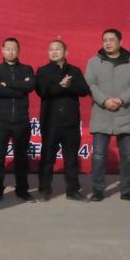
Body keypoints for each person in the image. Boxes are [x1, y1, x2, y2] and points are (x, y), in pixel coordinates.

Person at [85, 28, 130, 203]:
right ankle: (98, 190)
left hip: (124, 113)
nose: (108, 43)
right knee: (98, 156)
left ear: (120, 42)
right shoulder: (94, 62)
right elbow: (90, 84)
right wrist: (104, 101)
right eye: (105, 40)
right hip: (102, 113)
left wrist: (121, 99)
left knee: (128, 156)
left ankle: (127, 191)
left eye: (111, 39)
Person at [35, 39, 90, 201]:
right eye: (51, 49)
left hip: (70, 122)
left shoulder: (74, 70)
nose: (54, 52)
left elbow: (84, 90)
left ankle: (72, 190)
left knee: (71, 158)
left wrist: (69, 85)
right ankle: (45, 189)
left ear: (66, 52)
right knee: (47, 157)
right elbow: (42, 91)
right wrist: (60, 86)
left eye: (57, 49)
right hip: (50, 121)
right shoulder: (43, 71)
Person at [0, 38, 36, 201]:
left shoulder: (27, 69)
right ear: (2, 50)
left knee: (21, 157)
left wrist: (7, 84)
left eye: (14, 49)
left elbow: (30, 86)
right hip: (0, 122)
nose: (10, 52)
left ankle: (22, 189)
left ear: (19, 51)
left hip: (21, 121)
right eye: (7, 49)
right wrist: (20, 87)